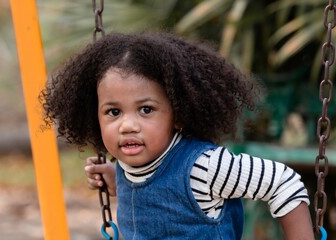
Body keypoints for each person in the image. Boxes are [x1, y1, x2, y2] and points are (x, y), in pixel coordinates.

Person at [40, 31, 314, 239]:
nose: (127, 125)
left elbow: (282, 181)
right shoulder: (130, 165)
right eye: (113, 112)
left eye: (146, 109)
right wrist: (117, 180)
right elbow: (150, 192)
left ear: (178, 115)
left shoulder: (206, 166)